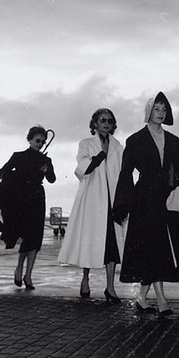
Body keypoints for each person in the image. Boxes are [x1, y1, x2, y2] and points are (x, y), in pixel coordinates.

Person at [113, 93, 179, 315]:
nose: (161, 112)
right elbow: (126, 173)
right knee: (152, 247)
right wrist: (122, 205)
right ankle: (161, 300)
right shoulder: (135, 140)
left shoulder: (174, 141)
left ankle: (143, 298)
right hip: (144, 199)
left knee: (159, 248)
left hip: (167, 199)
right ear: (148, 112)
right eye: (156, 108)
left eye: (164, 109)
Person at [58, 108, 125, 302]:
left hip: (111, 201)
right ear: (94, 123)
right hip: (92, 201)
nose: (106, 123)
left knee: (111, 245)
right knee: (89, 240)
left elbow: (121, 172)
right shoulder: (86, 144)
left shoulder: (117, 147)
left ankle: (110, 287)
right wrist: (96, 160)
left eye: (109, 121)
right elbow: (81, 169)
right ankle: (85, 279)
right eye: (102, 120)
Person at [0, 125, 56, 290]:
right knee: (26, 235)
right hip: (21, 199)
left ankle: (28, 275)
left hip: (37, 199)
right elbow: (0, 173)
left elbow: (52, 179)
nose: (40, 144)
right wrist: (18, 177)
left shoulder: (46, 160)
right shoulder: (18, 156)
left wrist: (46, 169)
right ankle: (19, 268)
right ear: (29, 139)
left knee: (35, 238)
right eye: (37, 140)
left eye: (43, 142)